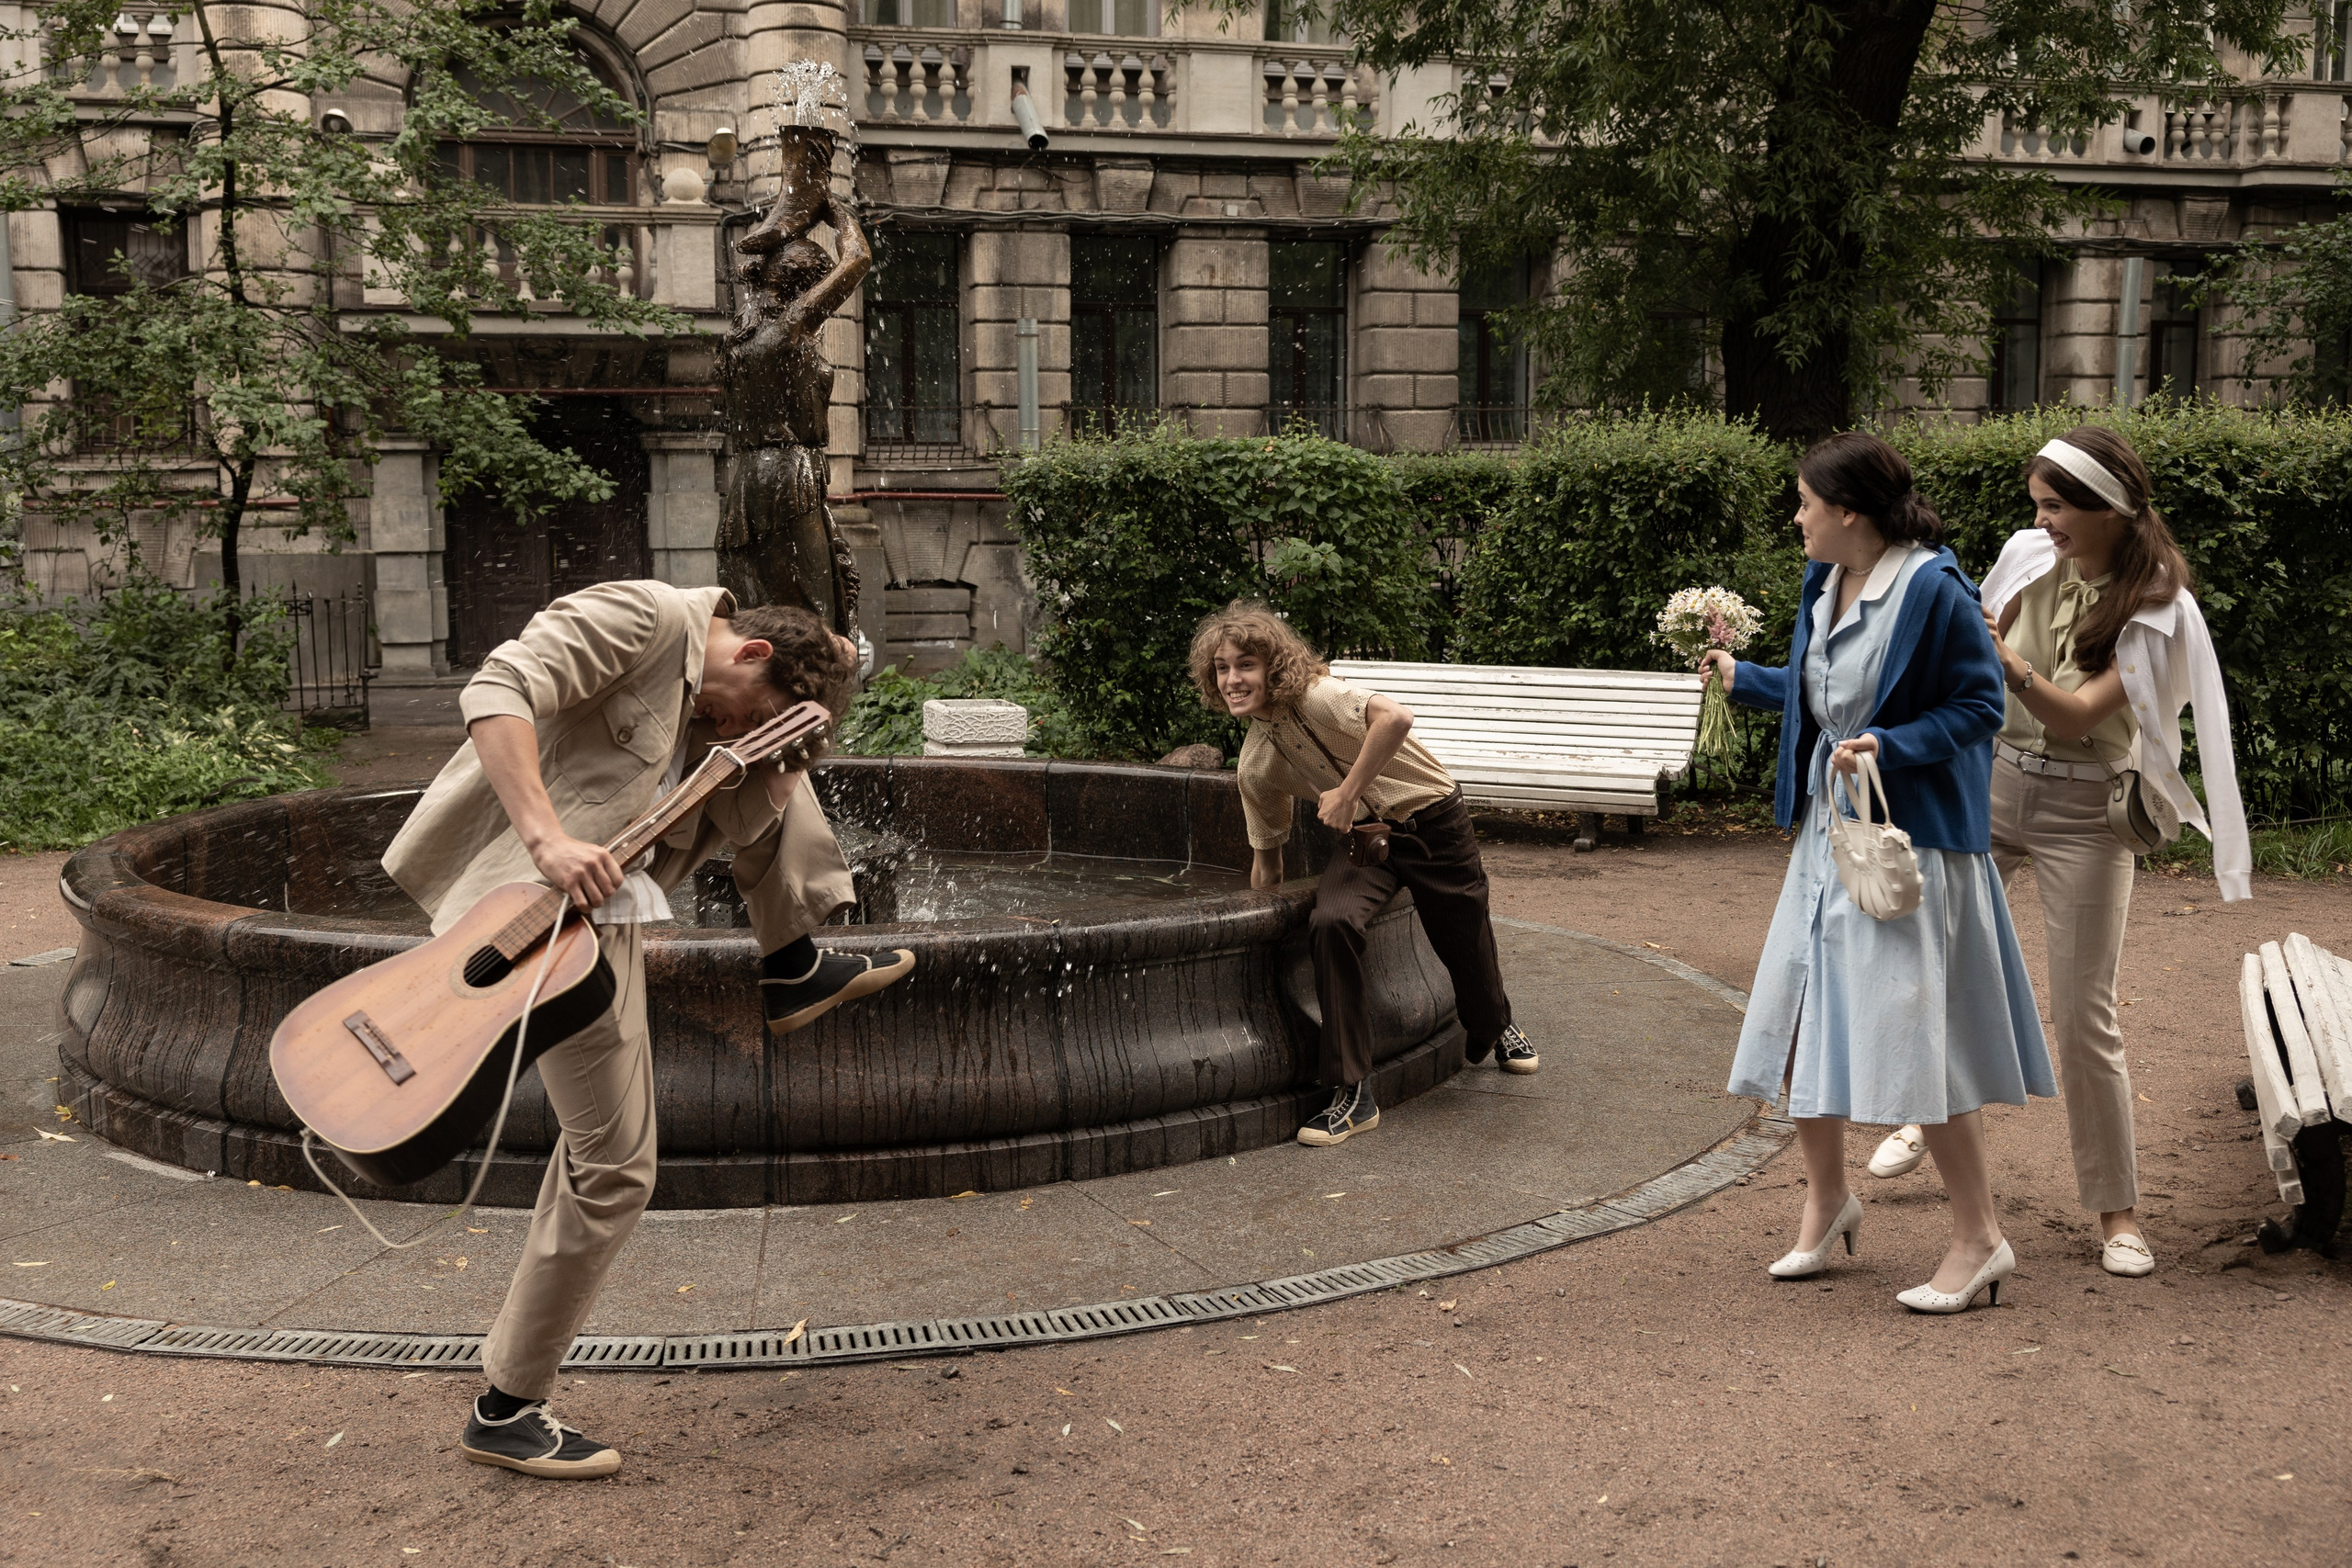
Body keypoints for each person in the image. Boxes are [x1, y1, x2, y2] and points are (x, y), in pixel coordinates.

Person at [380, 581, 915, 1479]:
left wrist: (804, 712)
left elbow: (755, 770)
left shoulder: (737, 696)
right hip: (531, 906)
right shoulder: (641, 617)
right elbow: (497, 691)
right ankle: (507, 1410)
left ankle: (791, 961)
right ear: (748, 652)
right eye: (749, 703)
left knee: (778, 760)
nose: (731, 723)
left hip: (604, 922)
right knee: (614, 1168)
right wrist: (548, 838)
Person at [1863, 426, 2248, 1280]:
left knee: (2084, 1015)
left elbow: (2077, 715)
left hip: (2088, 809)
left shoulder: (2157, 605)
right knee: (1928, 959)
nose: (2041, 522)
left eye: (2056, 506)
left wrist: (2001, 663)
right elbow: (1959, 632)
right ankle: (1925, 1118)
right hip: (1991, 786)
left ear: (2107, 509)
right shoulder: (2028, 555)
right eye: (2036, 505)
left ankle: (2117, 1212)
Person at [1702, 433, 2053, 1314]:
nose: (1797, 515)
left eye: (1806, 502)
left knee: (1914, 1036)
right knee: (1801, 1013)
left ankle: (1980, 1239)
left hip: (1910, 850)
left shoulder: (1933, 587)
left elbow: (1980, 705)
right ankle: (1827, 1203)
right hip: (1828, 841)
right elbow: (1830, 694)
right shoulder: (1827, 580)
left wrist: (1888, 747)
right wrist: (1743, 676)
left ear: (1849, 511)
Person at [1192, 601, 1535, 1148]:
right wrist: (1254, 927)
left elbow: (1395, 718)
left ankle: (1497, 1021)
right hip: (1367, 842)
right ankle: (1353, 1092)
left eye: (1245, 665)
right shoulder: (1255, 763)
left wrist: (1347, 792)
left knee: (1464, 941)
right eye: (1222, 668)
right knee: (1331, 922)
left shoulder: (1318, 696)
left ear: (1272, 666)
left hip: (1434, 821)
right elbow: (1268, 860)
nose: (1233, 679)